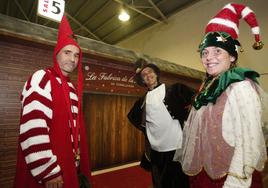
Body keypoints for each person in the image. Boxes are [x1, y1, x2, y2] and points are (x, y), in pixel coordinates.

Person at [176, 3, 267, 188]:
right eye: (205, 52)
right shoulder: (207, 87)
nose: (209, 57)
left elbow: (249, 142)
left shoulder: (240, 86)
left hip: (229, 178)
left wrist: (234, 183)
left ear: (232, 56)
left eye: (217, 51)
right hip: (204, 174)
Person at [14, 15, 91, 188]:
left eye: (77, 55)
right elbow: (33, 125)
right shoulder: (42, 78)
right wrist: (47, 170)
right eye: (67, 52)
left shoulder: (71, 88)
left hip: (69, 166)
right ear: (56, 54)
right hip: (51, 173)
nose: (72, 59)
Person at [127, 58, 194, 188]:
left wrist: (186, 115)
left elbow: (193, 98)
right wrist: (145, 128)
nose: (148, 76)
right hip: (156, 148)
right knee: (160, 182)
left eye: (150, 72)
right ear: (142, 80)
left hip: (176, 144)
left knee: (179, 181)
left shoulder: (174, 89)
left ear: (156, 74)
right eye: (144, 75)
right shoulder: (142, 101)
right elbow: (132, 116)